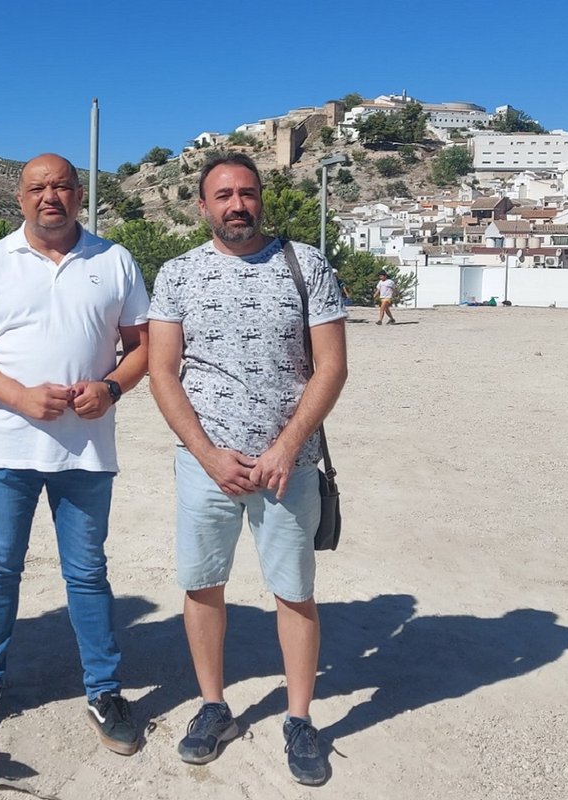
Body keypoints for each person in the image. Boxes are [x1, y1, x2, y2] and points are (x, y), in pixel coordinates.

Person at [146, 153, 347, 785]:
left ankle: (298, 718)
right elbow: (161, 371)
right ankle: (213, 706)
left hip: (289, 465)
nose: (238, 204)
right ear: (202, 206)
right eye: (224, 195)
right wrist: (207, 455)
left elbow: (332, 366)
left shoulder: (305, 263)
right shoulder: (177, 274)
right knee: (203, 585)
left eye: (248, 193)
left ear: (261, 199)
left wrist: (287, 447)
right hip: (206, 466)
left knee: (294, 591)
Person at [0, 153, 150, 755]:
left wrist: (111, 387)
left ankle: (104, 689)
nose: (50, 197)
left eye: (61, 186)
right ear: (20, 198)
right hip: (8, 447)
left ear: (79, 194)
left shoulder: (114, 260)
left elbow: (142, 347)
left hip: (86, 451)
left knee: (87, 573)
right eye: (37, 188)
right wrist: (21, 397)